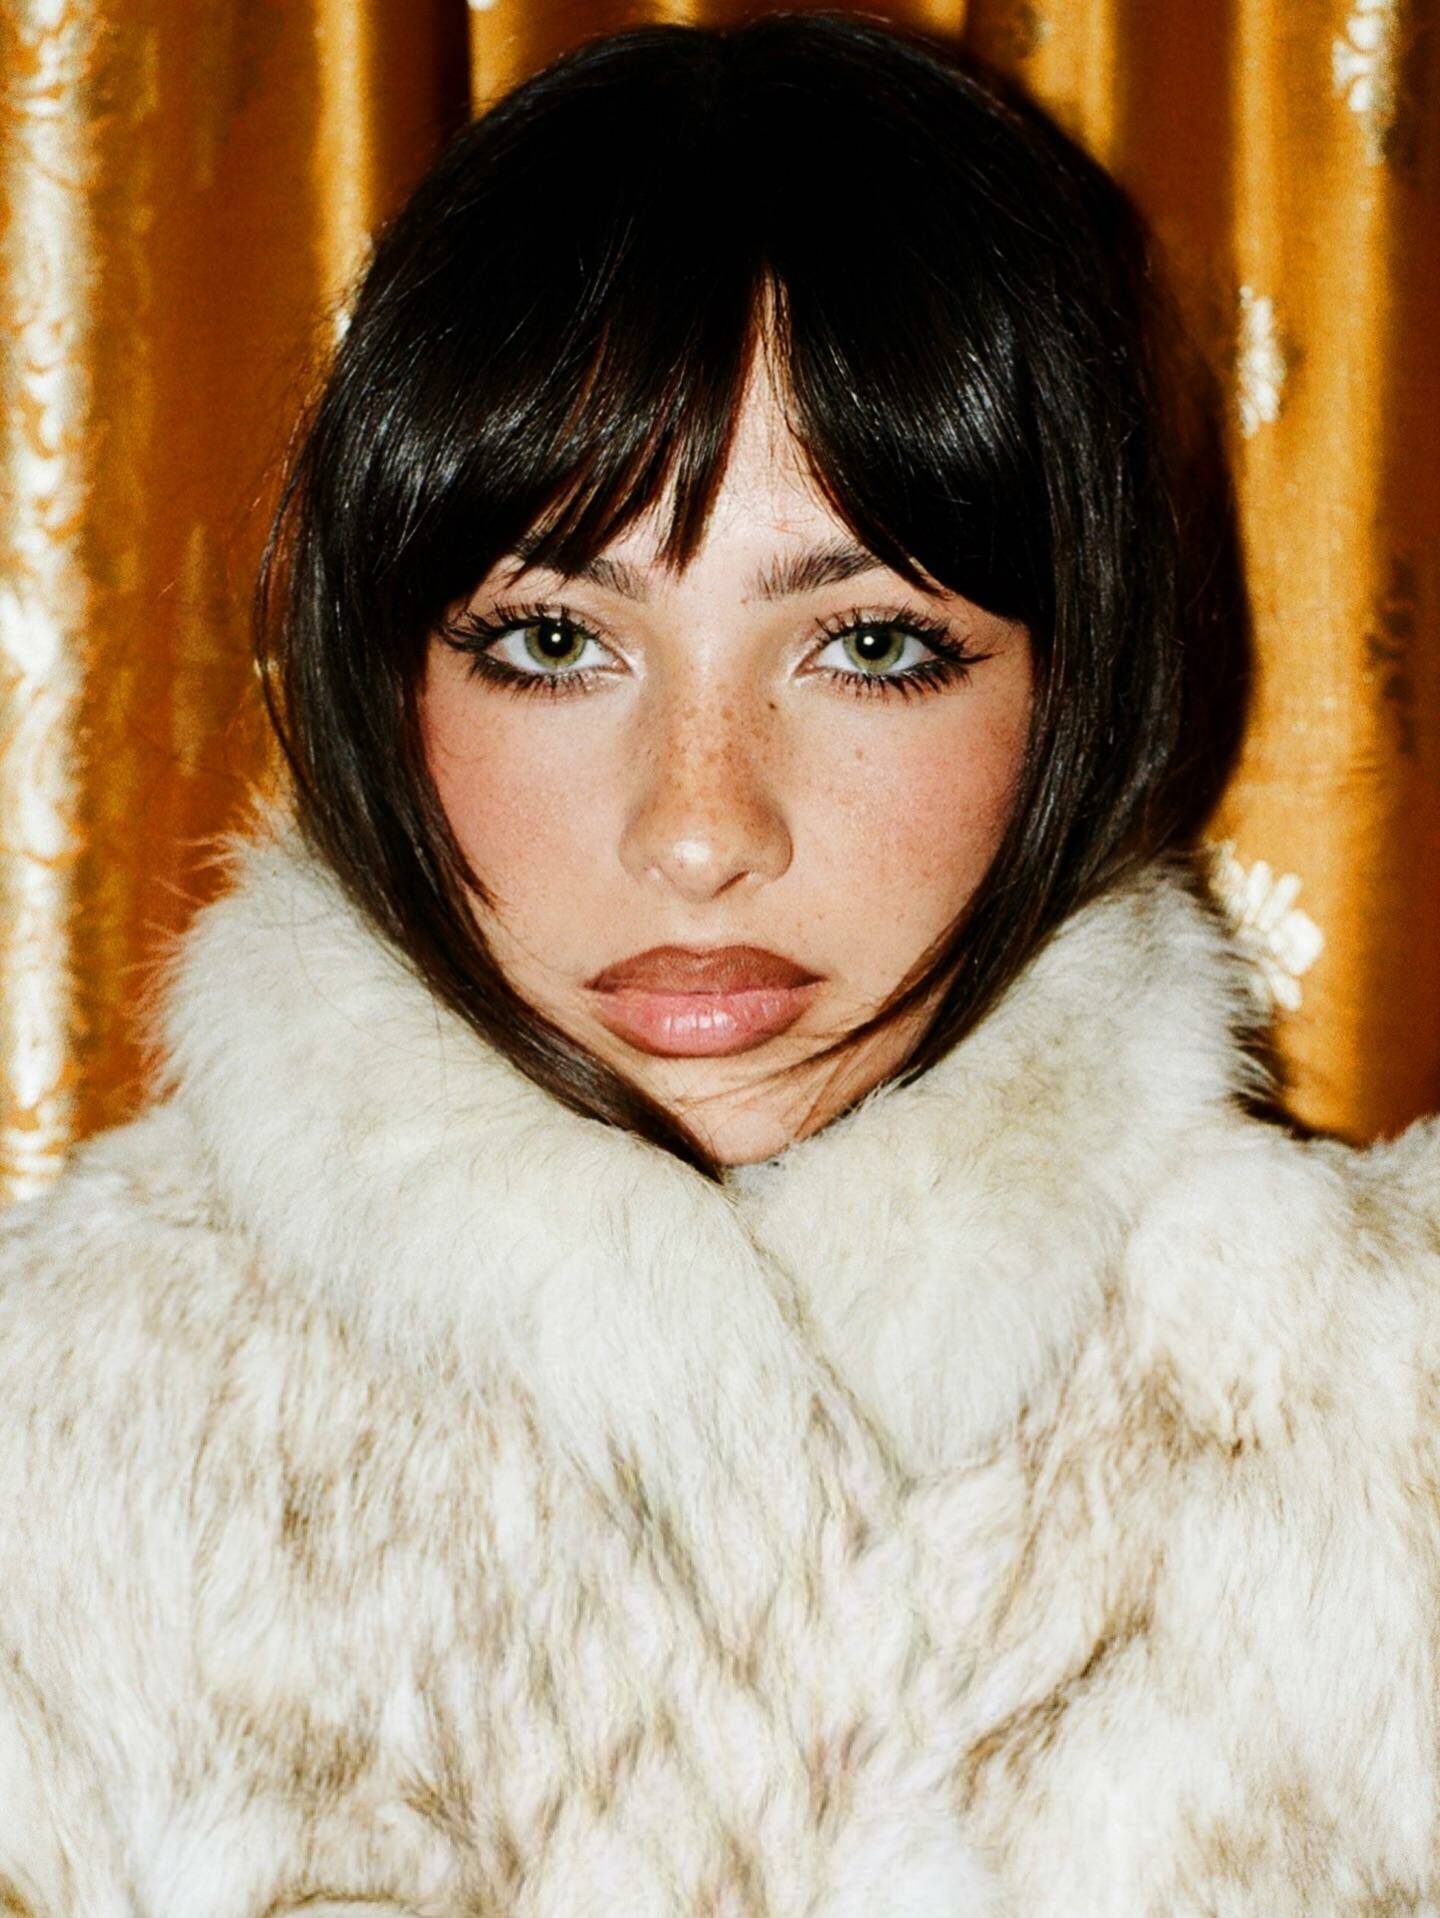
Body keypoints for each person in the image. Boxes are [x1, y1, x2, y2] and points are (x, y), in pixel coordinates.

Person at [0, 10, 1434, 1914]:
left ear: (1073, 686)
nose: (698, 829)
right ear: (381, 677)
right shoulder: (58, 1443)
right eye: (553, 640)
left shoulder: (1385, 1419)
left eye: (868, 644)